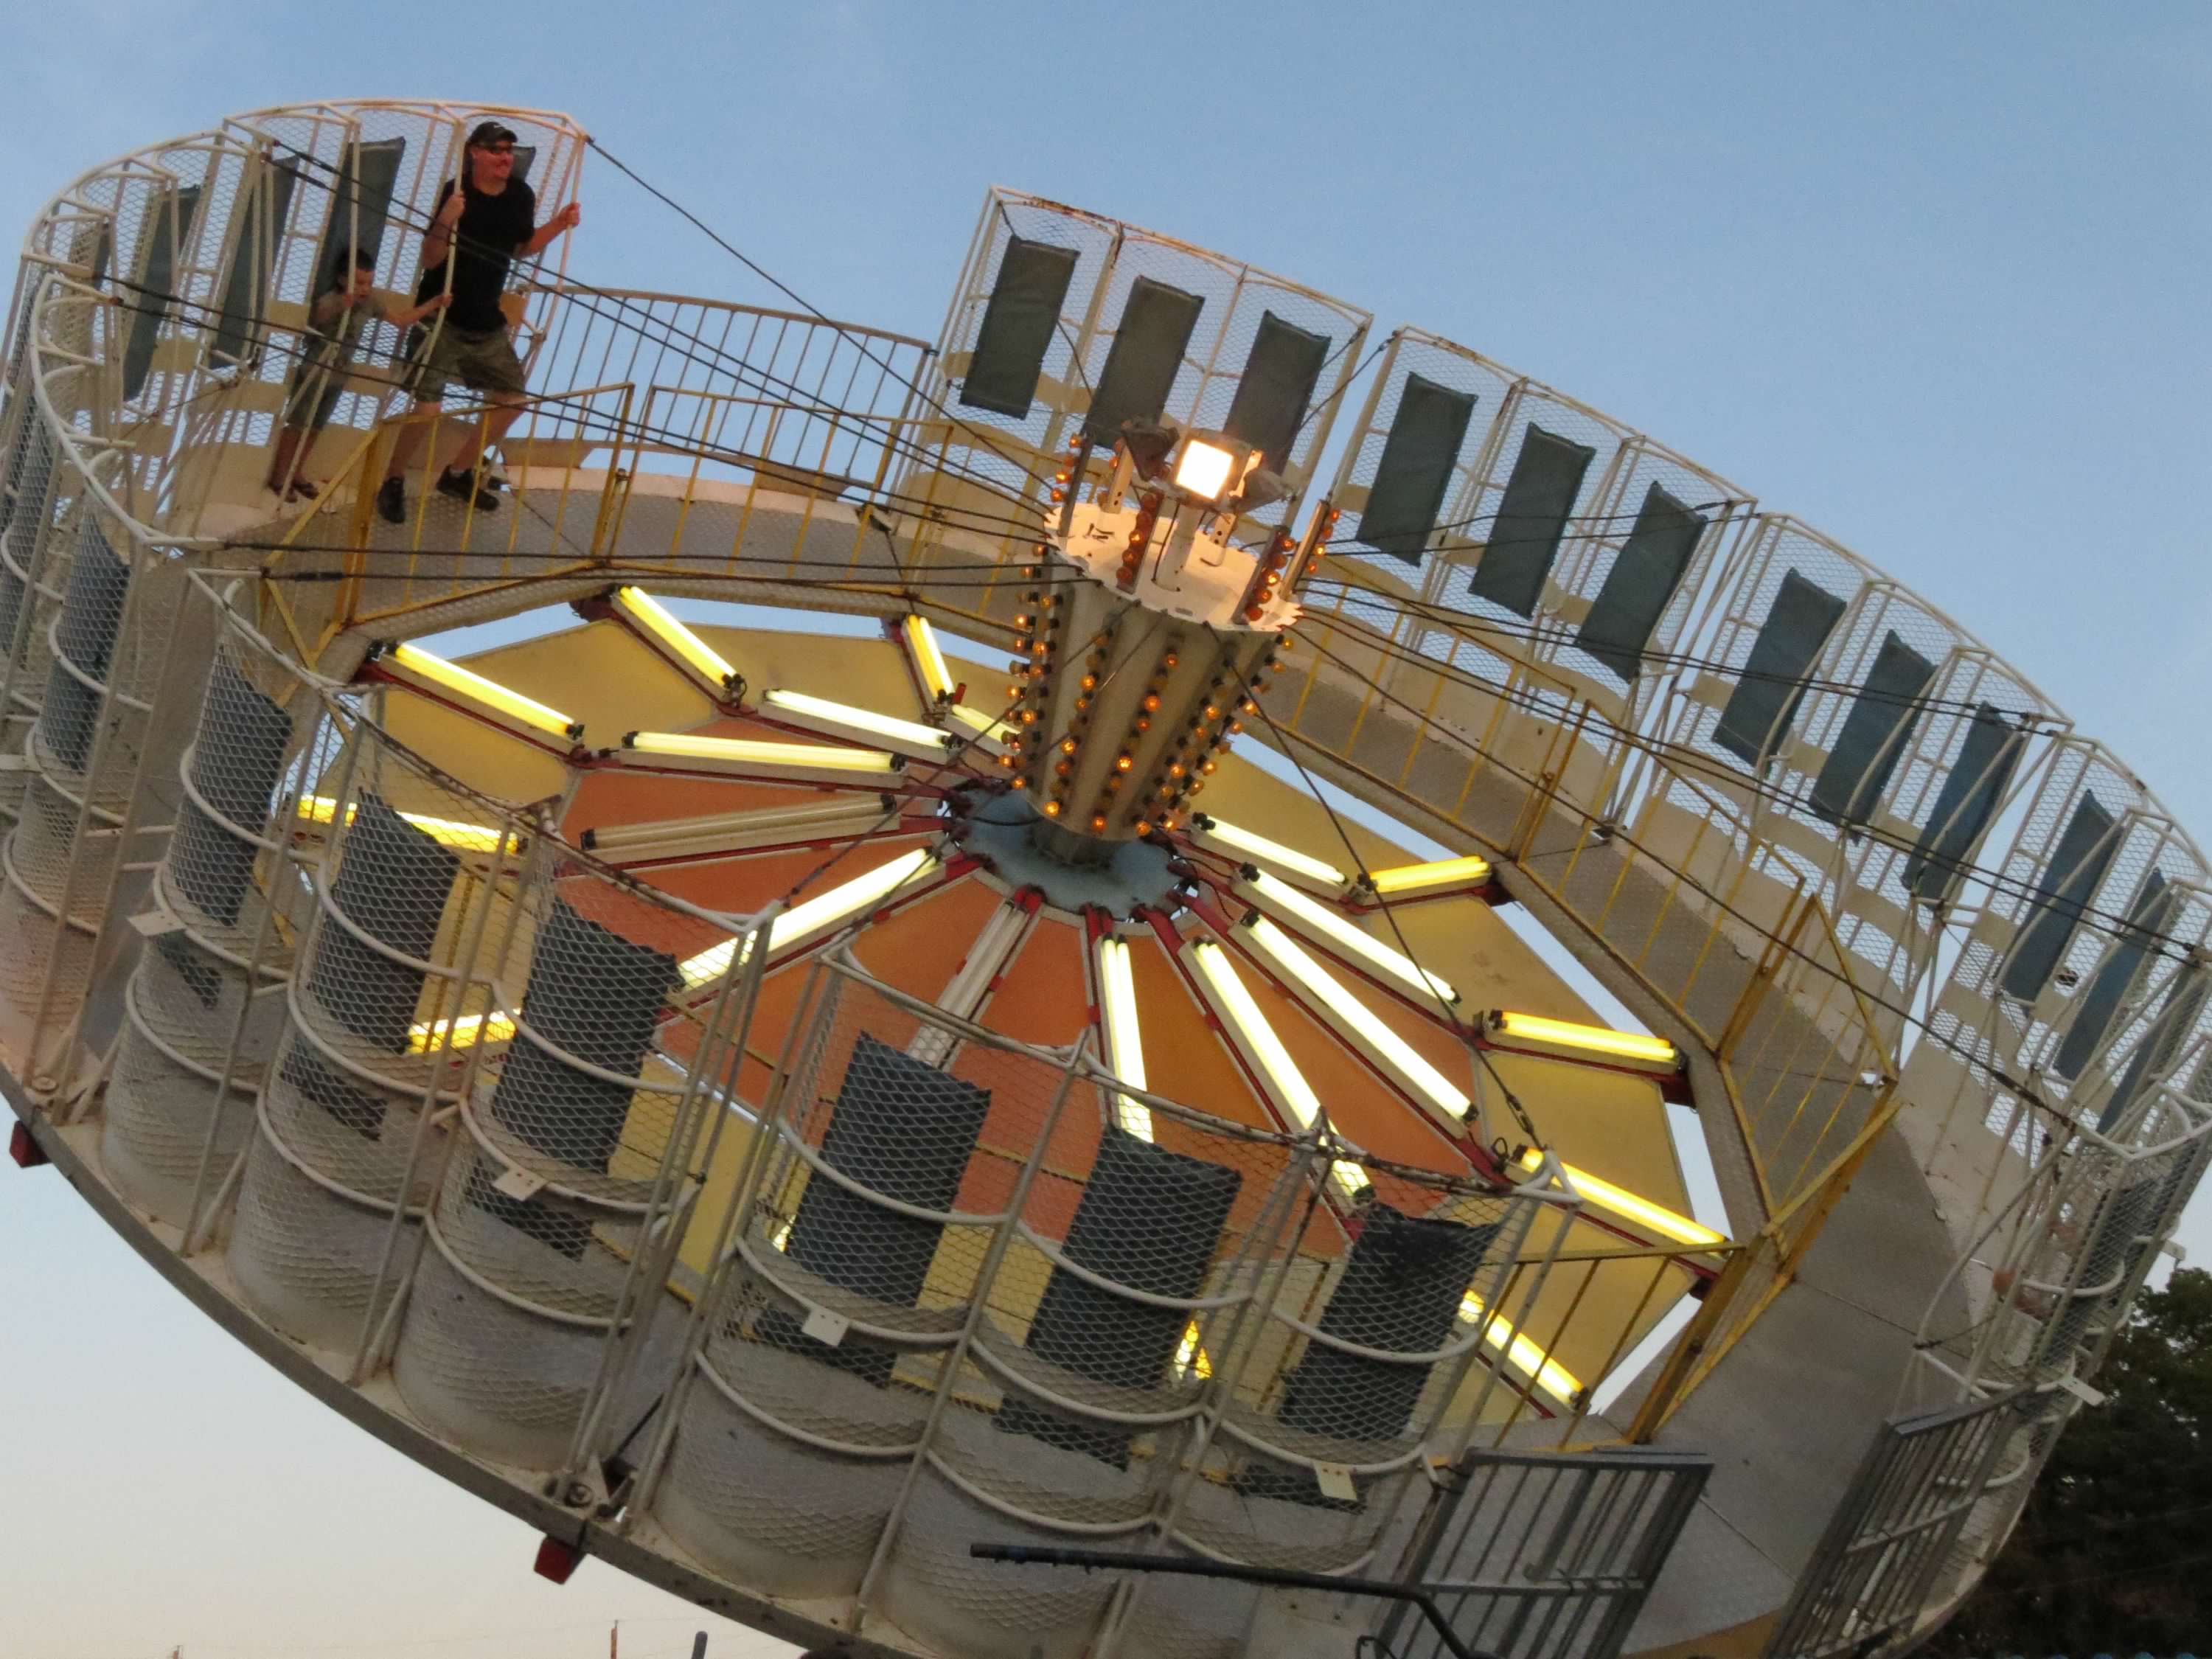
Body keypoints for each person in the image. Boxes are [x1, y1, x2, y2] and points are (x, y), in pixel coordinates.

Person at [375, 120, 581, 524]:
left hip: (485, 319)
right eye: (495, 150)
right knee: (428, 409)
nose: (504, 157)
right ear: (474, 153)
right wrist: (447, 219)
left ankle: (458, 472)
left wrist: (558, 224)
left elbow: (522, 248)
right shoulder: (456, 193)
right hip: (441, 315)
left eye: (508, 150)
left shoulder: (520, 195)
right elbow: (431, 258)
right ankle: (393, 478)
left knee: (514, 401)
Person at [266, 247, 451, 502]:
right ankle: (280, 475)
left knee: (316, 426)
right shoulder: (331, 299)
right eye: (360, 282)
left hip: (340, 371)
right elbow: (318, 318)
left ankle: (296, 472)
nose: (365, 288)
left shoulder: (369, 302)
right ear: (343, 279)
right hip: (317, 368)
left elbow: (399, 320)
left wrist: (433, 304)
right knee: (298, 423)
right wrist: (343, 303)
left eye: (369, 282)